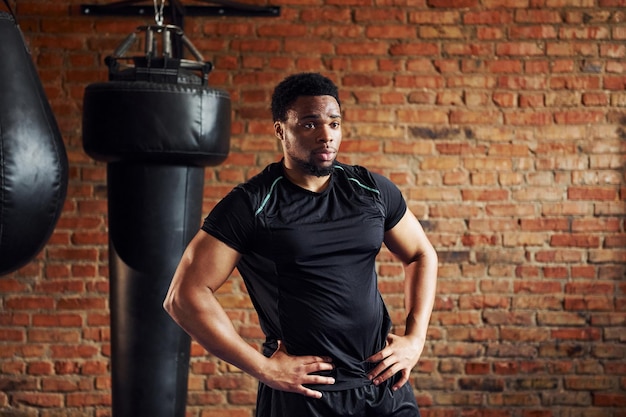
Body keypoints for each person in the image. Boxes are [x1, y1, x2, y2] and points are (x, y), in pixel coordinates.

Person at [163, 72, 438, 417]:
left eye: (334, 124)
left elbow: (420, 254)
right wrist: (262, 368)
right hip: (306, 396)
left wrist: (415, 339)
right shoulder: (252, 204)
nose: (326, 136)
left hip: (383, 386)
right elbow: (183, 296)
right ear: (281, 130)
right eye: (309, 125)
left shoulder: (371, 189)